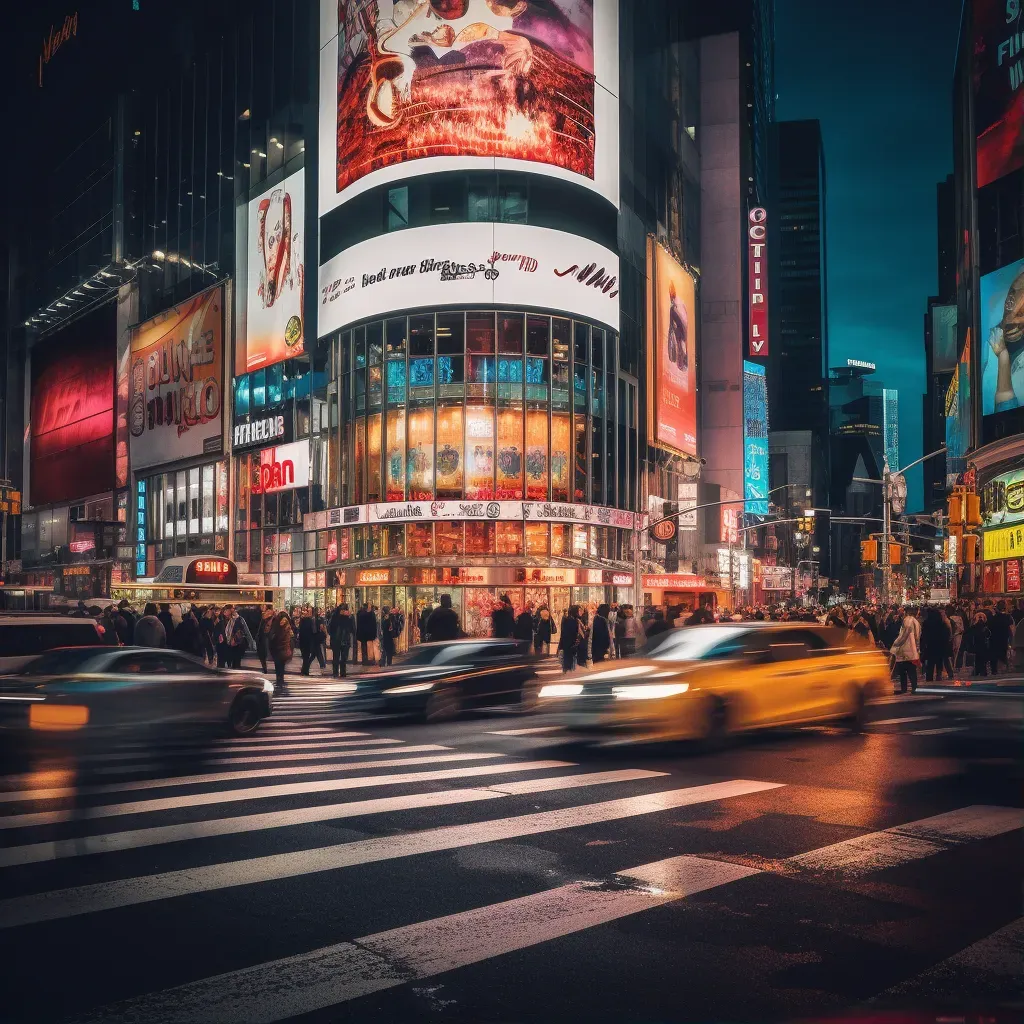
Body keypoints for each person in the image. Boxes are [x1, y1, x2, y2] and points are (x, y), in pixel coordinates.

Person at [890, 606, 921, 694]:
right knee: (911, 670)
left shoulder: (908, 620)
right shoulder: (916, 622)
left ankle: (905, 688)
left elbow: (903, 635)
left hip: (904, 650)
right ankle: (914, 687)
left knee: (903, 671)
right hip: (912, 650)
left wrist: (895, 646)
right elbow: (917, 637)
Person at [921, 606, 952, 683]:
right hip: (940, 647)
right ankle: (938, 677)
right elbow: (946, 636)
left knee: (930, 665)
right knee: (939, 663)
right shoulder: (942, 624)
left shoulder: (926, 624)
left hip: (930, 646)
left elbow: (924, 636)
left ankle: (929, 679)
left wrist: (923, 646)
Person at [268, 611, 294, 690]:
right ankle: (279, 678)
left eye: (284, 620)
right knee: (279, 664)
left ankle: (280, 678)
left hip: (281, 649)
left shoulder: (283, 627)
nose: (283, 622)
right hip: (279, 649)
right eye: (282, 620)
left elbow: (291, 639)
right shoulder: (280, 628)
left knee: (280, 665)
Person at [329, 603, 355, 677]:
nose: (344, 612)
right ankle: (335, 673)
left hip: (345, 640)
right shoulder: (335, 617)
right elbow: (330, 628)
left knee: (344, 658)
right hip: (336, 640)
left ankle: (343, 673)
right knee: (336, 658)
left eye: (345, 610)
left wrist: (350, 618)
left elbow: (352, 629)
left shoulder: (349, 618)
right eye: (343, 610)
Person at [989, 600, 1014, 674]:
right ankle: (1005, 669)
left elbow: (990, 628)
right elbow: (1011, 629)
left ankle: (994, 670)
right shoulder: (1008, 617)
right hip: (1003, 639)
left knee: (994, 655)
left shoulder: (993, 617)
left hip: (994, 639)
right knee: (1003, 654)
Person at [967, 612, 992, 677]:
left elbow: (988, 635)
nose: (980, 619)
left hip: (981, 645)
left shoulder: (985, 627)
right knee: (979, 659)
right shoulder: (975, 627)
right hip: (979, 645)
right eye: (979, 617)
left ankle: (980, 671)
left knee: (981, 659)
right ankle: (980, 671)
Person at [558, 605, 581, 673]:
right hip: (569, 644)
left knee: (569, 662)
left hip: (569, 644)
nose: (579, 612)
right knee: (568, 662)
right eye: (578, 611)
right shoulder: (570, 621)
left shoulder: (572, 620)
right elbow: (567, 634)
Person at [298, 607, 317, 676]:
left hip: (303, 640)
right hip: (308, 640)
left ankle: (304, 670)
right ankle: (305, 670)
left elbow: (299, 630)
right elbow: (314, 631)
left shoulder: (302, 620)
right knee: (307, 656)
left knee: (305, 656)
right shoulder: (311, 621)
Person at [256, 606, 274, 674]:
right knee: (262, 654)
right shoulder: (261, 618)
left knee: (266, 653)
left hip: (267, 638)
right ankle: (264, 668)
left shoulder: (272, 619)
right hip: (261, 638)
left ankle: (266, 669)